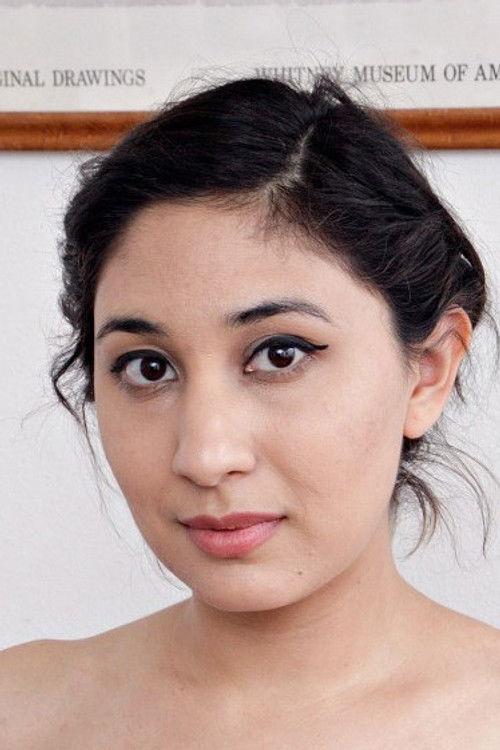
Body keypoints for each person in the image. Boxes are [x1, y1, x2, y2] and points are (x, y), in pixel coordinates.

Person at [1, 73, 499, 748]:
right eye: (148, 367)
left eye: (280, 355)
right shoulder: (20, 712)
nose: (206, 457)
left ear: (427, 374)